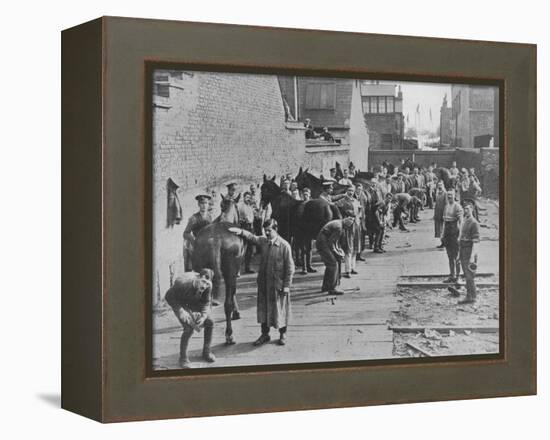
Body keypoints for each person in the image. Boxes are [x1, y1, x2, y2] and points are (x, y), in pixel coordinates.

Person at [229, 219, 295, 346]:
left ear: (276, 229)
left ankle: (283, 334)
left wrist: (286, 285)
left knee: (280, 309)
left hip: (278, 285)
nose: (267, 233)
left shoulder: (284, 245)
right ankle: (265, 334)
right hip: (264, 284)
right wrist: (240, 231)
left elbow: (290, 268)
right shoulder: (264, 242)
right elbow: (252, 238)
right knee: (264, 310)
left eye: (269, 230)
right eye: (265, 231)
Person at [164, 269, 216, 369]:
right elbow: (168, 296)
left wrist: (203, 316)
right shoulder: (182, 283)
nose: (204, 286)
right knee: (188, 328)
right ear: (197, 278)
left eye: (207, 283)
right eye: (203, 282)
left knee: (210, 322)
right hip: (180, 302)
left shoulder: (208, 285)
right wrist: (181, 312)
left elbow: (206, 303)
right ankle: (183, 358)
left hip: (195, 301)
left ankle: (206, 352)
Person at [316, 215, 355, 295]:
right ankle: (332, 288)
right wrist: (338, 253)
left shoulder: (338, 222)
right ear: (346, 225)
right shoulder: (339, 228)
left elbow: (334, 242)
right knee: (333, 264)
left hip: (322, 241)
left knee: (330, 264)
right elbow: (331, 243)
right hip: (323, 243)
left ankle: (326, 286)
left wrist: (338, 251)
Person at [454, 203, 481, 304]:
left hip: (469, 251)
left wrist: (472, 257)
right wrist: (458, 255)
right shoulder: (464, 221)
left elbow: (476, 242)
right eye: (464, 209)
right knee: (466, 274)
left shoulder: (474, 223)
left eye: (468, 209)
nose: (466, 211)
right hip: (463, 250)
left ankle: (471, 297)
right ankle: (469, 295)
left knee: (470, 276)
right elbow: (461, 238)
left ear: (472, 210)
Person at [336, 186, 361, 277]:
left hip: (357, 226)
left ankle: (353, 267)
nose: (351, 192)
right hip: (348, 226)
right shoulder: (342, 201)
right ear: (346, 191)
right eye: (349, 190)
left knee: (355, 247)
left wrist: (358, 217)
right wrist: (343, 217)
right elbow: (335, 207)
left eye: (352, 191)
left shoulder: (356, 201)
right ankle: (347, 270)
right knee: (348, 248)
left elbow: (360, 211)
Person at [183, 194, 213, 272]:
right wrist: (194, 240)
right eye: (202, 203)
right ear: (198, 204)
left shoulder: (210, 216)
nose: (204, 206)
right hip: (198, 245)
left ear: (208, 204)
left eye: (206, 203)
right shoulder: (194, 218)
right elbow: (185, 233)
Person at [441, 189, 464, 283]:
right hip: (447, 231)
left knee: (456, 256)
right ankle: (452, 275)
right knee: (449, 255)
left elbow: (461, 222)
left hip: (454, 230)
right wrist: (442, 233)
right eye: (448, 195)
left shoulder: (457, 206)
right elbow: (444, 221)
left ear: (454, 196)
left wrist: (460, 235)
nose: (449, 197)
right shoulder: (446, 206)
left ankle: (458, 276)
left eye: (451, 195)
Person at [238, 192, 256, 274]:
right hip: (244, 227)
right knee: (242, 249)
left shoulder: (250, 207)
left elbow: (253, 218)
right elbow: (238, 217)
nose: (248, 199)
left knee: (250, 249)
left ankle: (247, 267)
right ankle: (238, 269)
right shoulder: (240, 206)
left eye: (249, 197)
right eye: (246, 197)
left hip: (251, 228)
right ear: (244, 197)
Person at [433, 181, 447, 248]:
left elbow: (447, 205)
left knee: (443, 229)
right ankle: (442, 242)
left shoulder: (445, 194)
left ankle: (445, 243)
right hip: (437, 213)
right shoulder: (438, 193)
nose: (440, 187)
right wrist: (435, 214)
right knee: (439, 229)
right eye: (438, 185)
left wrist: (445, 214)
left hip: (443, 213)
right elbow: (436, 204)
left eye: (441, 185)